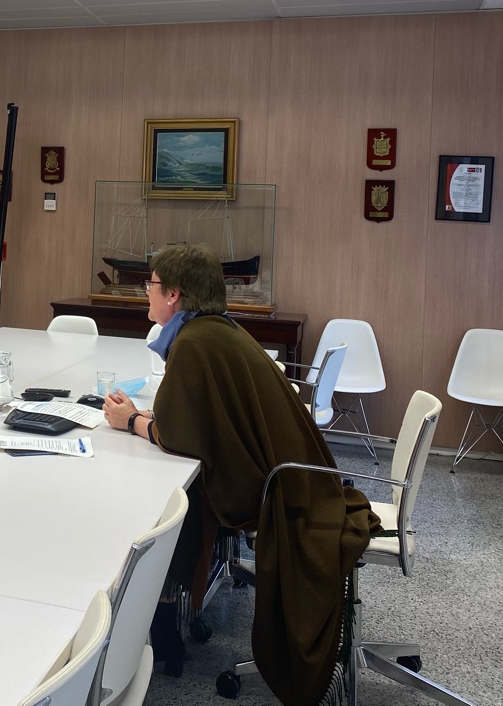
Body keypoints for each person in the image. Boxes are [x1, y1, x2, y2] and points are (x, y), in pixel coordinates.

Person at [103, 243, 378, 706]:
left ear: (173, 294)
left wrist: (130, 421)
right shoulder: (215, 329)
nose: (146, 291)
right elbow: (201, 419)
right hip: (295, 476)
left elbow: (182, 439)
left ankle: (156, 617)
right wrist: (149, 417)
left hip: (276, 492)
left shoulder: (193, 343)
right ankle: (167, 618)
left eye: (151, 284)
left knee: (176, 498)